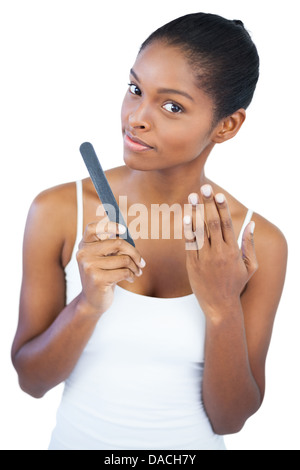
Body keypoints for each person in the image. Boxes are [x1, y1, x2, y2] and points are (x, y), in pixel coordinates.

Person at [11, 12, 287, 450]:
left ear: (227, 125)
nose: (136, 117)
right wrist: (87, 304)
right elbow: (31, 381)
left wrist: (220, 309)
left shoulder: (256, 242)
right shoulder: (58, 211)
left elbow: (230, 419)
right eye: (136, 89)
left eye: (172, 106)